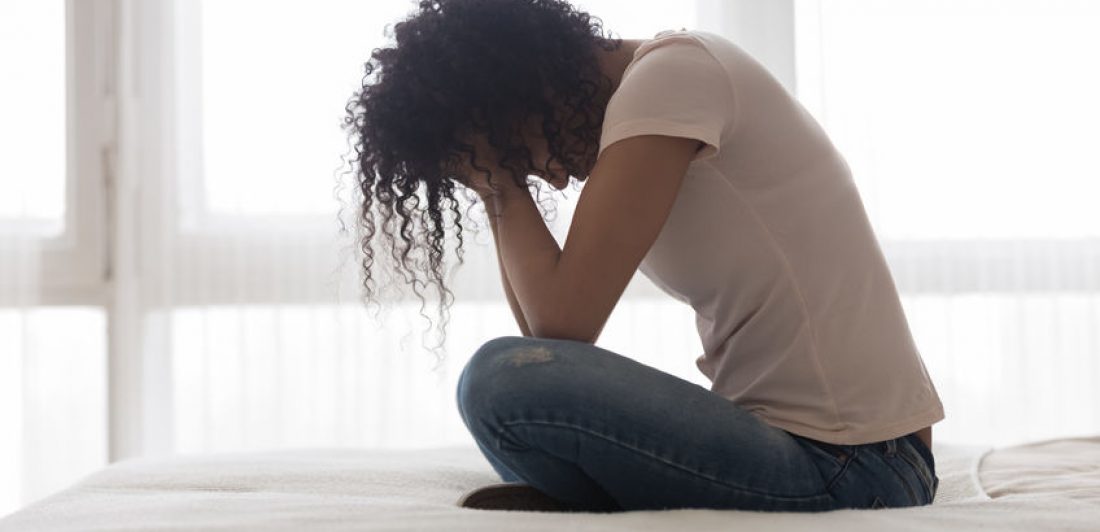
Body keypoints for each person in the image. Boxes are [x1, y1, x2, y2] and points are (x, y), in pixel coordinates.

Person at [344, 0, 944, 513]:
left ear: (526, 91)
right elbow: (548, 341)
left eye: (521, 151)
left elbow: (561, 325)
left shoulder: (674, 77)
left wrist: (500, 182)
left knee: (497, 380)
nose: (551, 181)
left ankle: (601, 494)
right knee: (507, 380)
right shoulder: (655, 95)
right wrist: (493, 179)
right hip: (819, 451)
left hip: (860, 464)